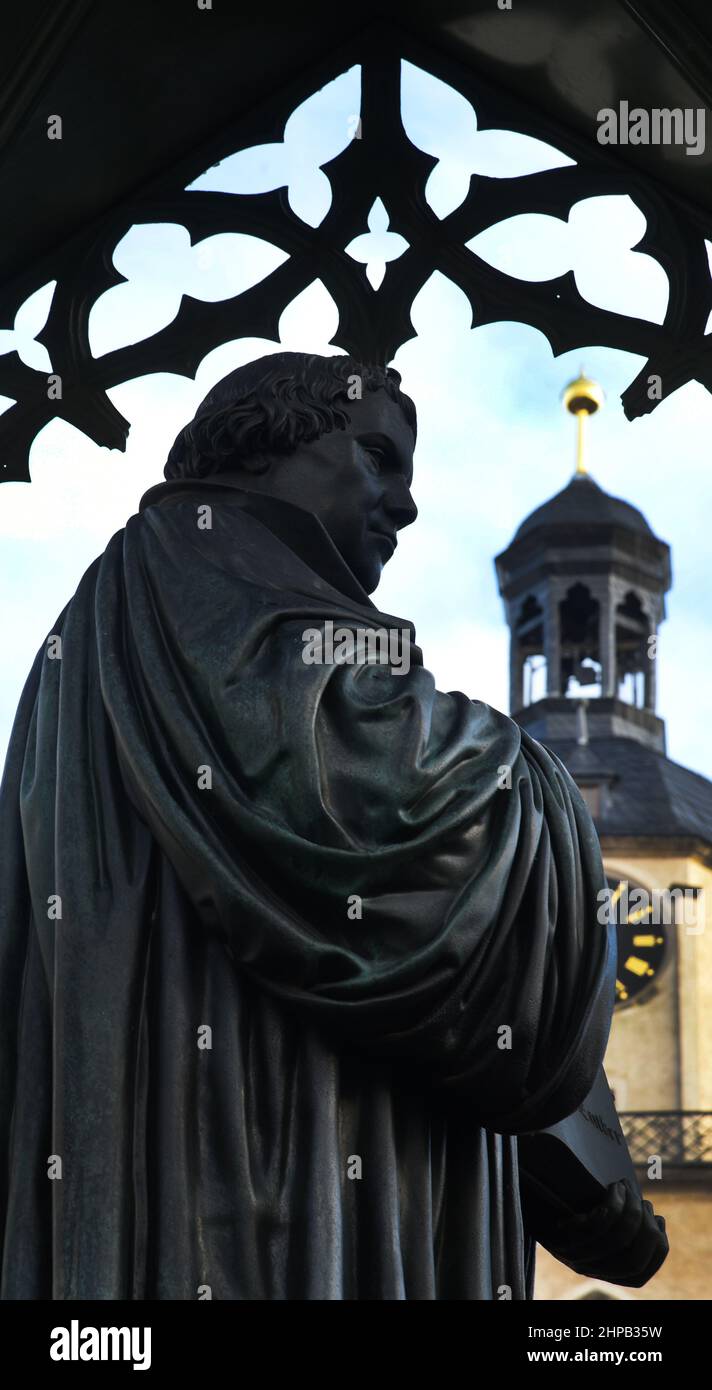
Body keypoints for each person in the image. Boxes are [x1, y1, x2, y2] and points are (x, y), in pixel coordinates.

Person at [0, 351, 666, 1299]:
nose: (404, 504)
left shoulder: (129, 609)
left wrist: (556, 1165)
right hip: (277, 1195)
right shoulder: (209, 576)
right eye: (379, 459)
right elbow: (410, 822)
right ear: (276, 439)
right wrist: (547, 804)